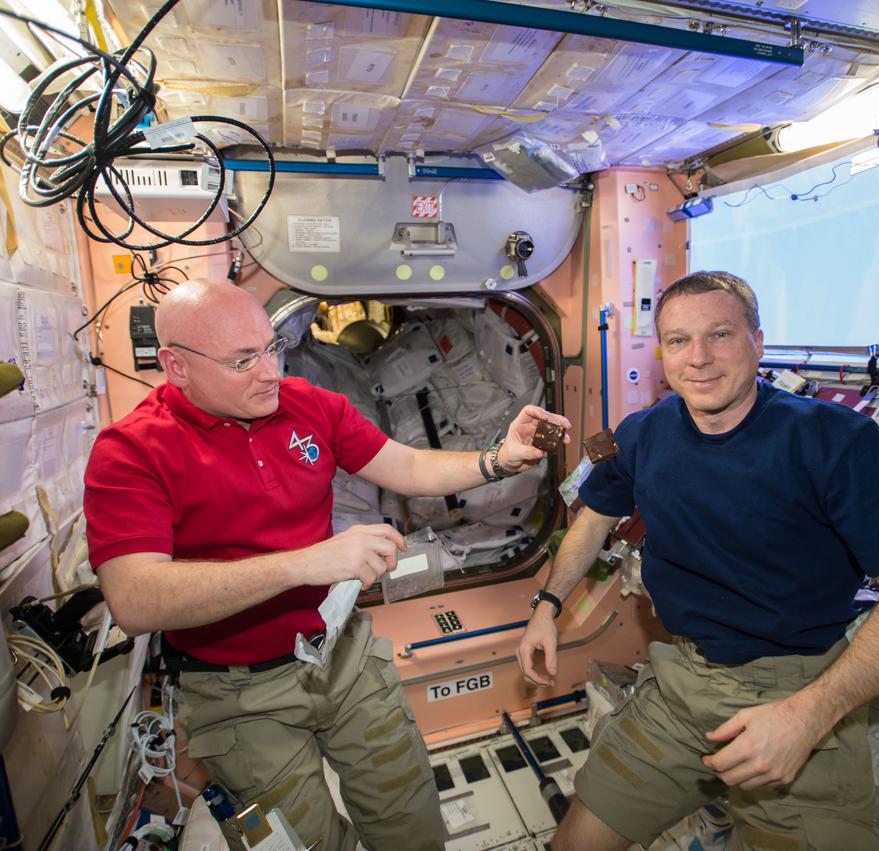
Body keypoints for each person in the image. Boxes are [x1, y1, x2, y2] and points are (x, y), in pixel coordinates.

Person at [83, 279, 570, 851]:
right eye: (243, 360)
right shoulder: (131, 451)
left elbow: (407, 467)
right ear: (176, 366)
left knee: (410, 822)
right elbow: (136, 600)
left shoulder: (308, 405)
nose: (269, 371)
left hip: (343, 657)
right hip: (238, 695)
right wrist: (304, 564)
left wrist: (498, 459)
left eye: (271, 348)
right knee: (304, 843)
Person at [516, 271, 879, 850]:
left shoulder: (834, 441)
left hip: (798, 685)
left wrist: (806, 717)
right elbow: (593, 518)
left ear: (758, 341)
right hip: (683, 679)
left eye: (719, 334)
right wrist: (546, 605)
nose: (698, 358)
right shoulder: (644, 433)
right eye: (677, 341)